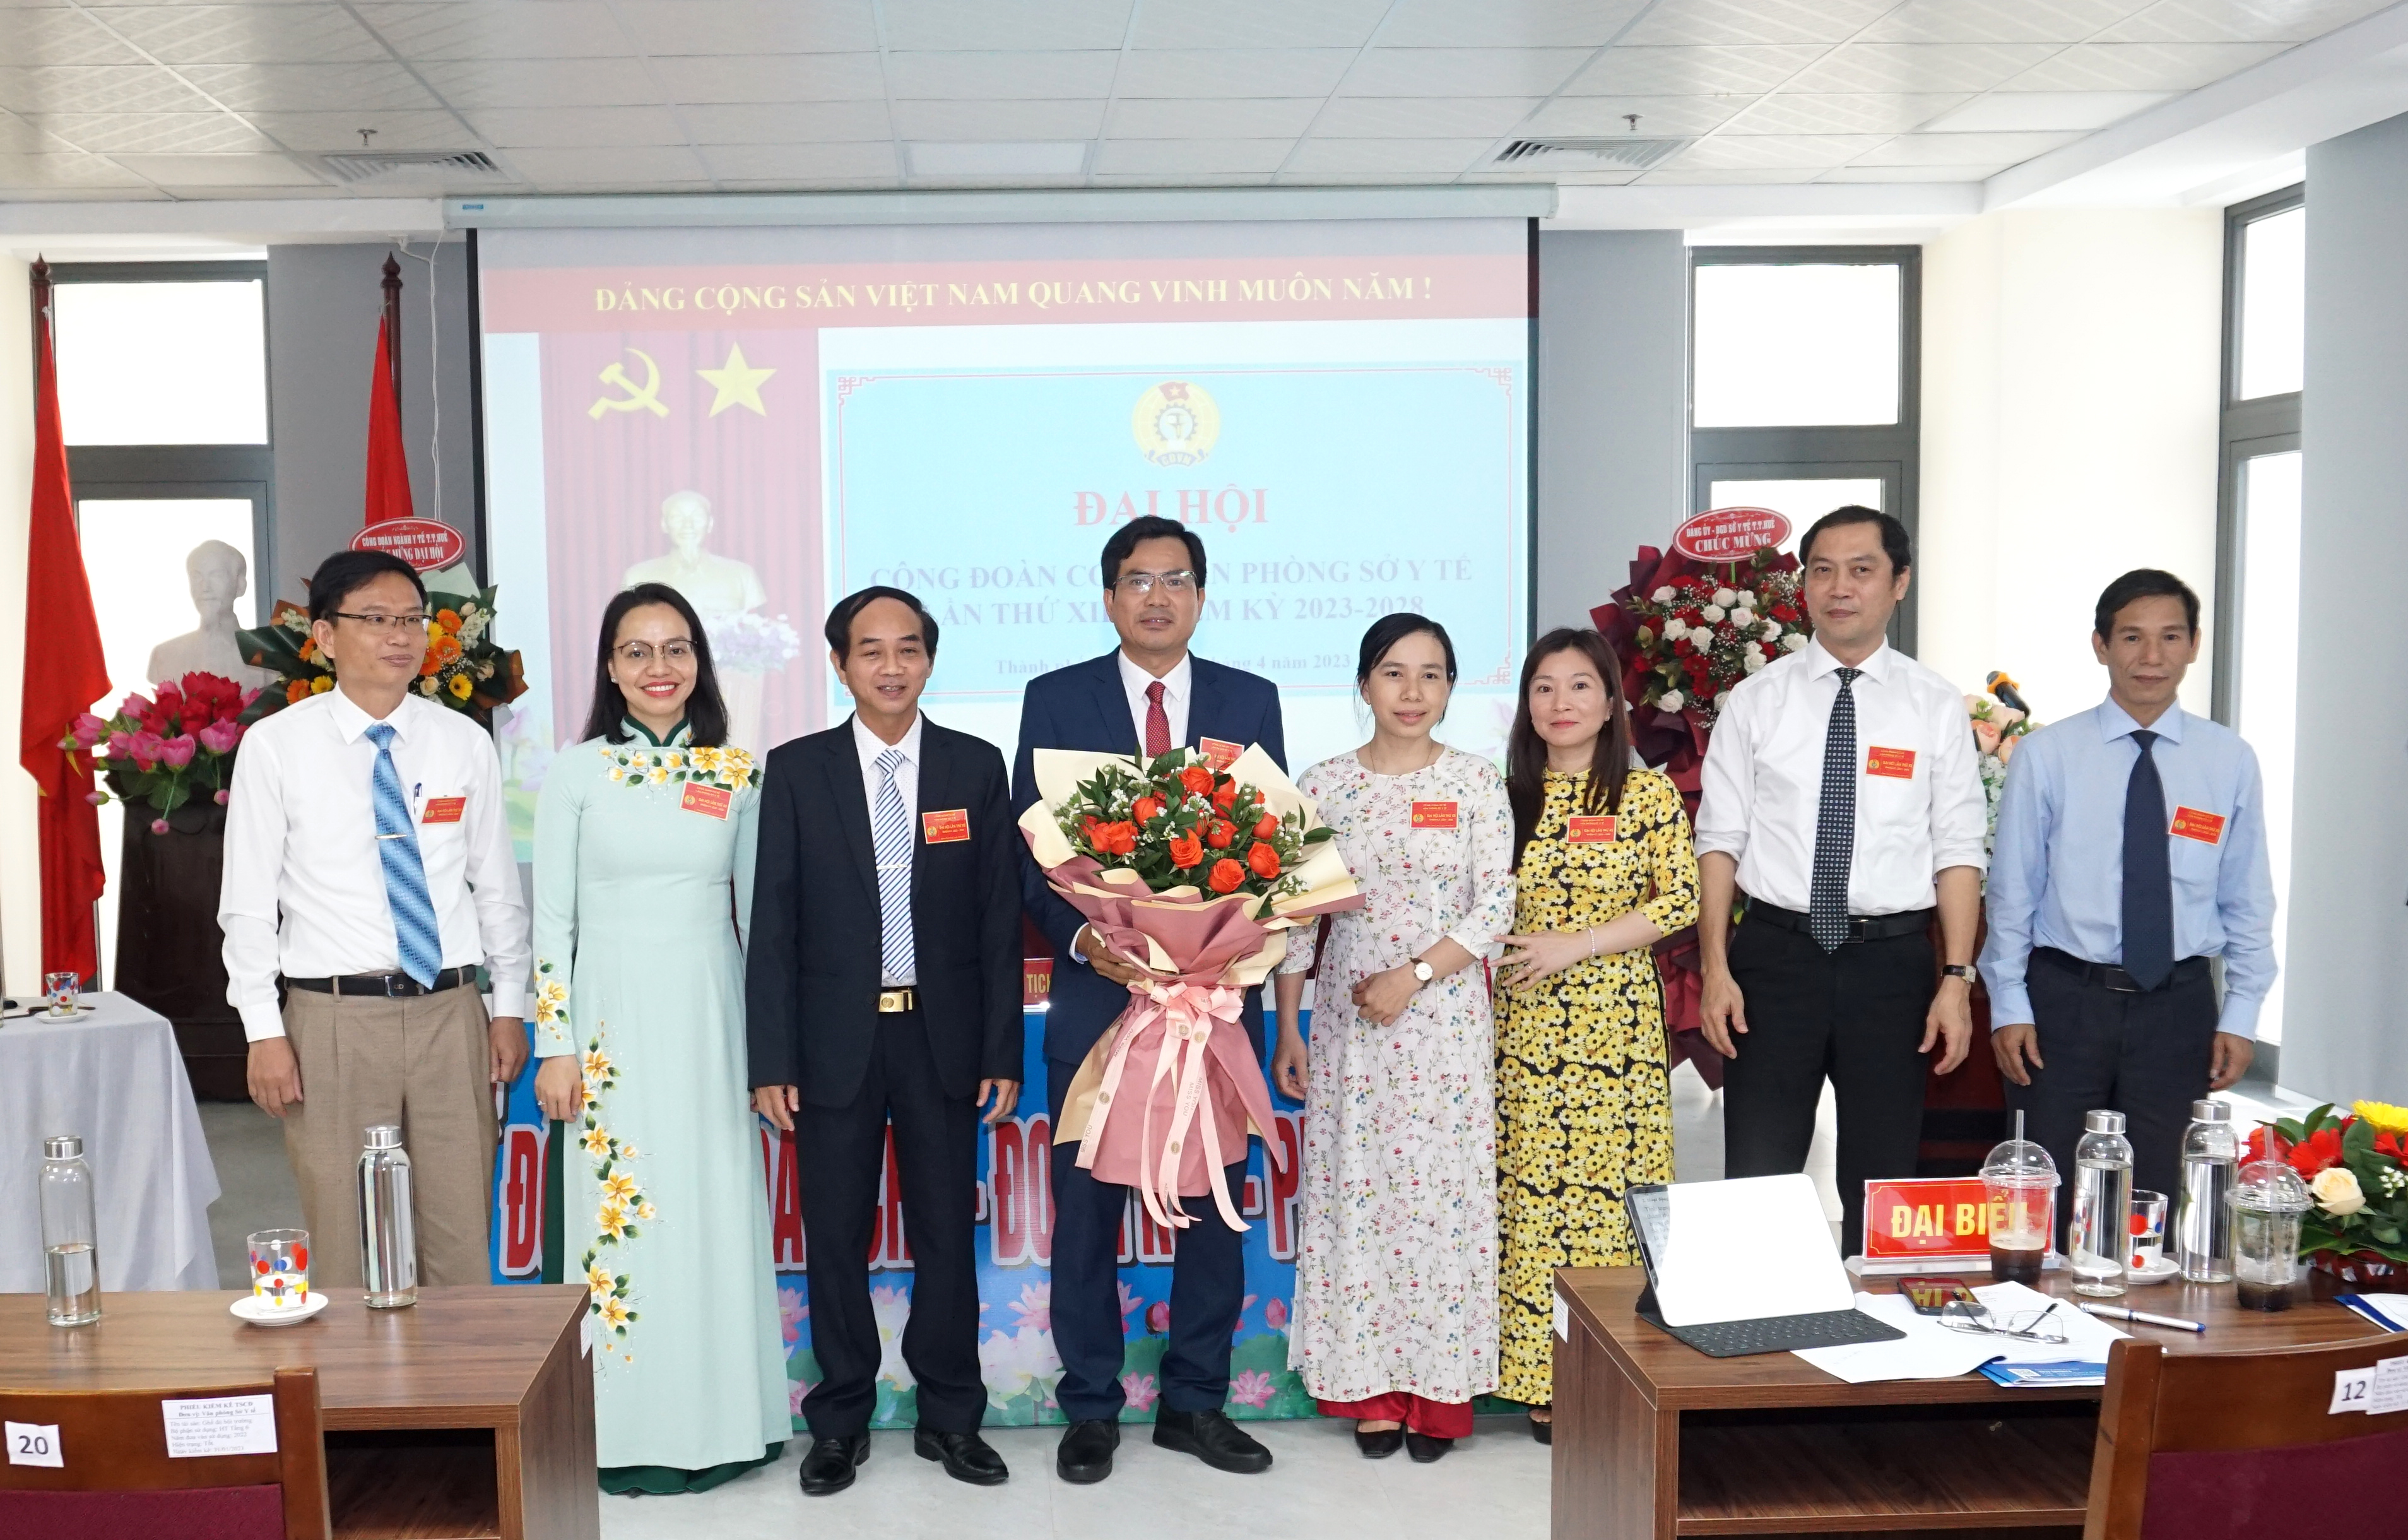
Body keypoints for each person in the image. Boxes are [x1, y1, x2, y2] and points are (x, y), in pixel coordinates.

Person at [1012, 514, 1285, 1484]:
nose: (1157, 597)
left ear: (1201, 596)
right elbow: (1030, 851)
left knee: (1213, 1213)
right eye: (1138, 580)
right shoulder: (1056, 699)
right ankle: (1091, 1407)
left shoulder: (1251, 699)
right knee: (1086, 1215)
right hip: (1100, 1002)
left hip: (1211, 1009)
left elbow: (1272, 850)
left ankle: (1196, 1404)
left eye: (1175, 580)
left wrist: (1215, 950)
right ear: (1109, 596)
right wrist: (1089, 940)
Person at [749, 586, 1022, 1496]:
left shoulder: (974, 766)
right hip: (835, 1041)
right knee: (835, 1236)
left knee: (946, 1233)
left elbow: (997, 921)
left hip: (943, 1041)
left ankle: (952, 1417)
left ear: (929, 661)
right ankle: (838, 1422)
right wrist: (772, 1060)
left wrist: (1000, 1051)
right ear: (840, 665)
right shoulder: (797, 769)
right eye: (871, 650)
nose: (891, 666)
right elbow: (773, 925)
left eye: (908, 648)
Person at [526, 583, 788, 1494]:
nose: (658, 667)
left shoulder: (738, 773)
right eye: (636, 651)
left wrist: (770, 1054)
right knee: (622, 1229)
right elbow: (551, 921)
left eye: (677, 648)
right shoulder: (576, 773)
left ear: (700, 663)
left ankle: (725, 1425)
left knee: (711, 1218)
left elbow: (762, 926)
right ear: (609, 667)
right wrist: (554, 1044)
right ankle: (620, 1432)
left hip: (711, 1026)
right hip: (607, 1031)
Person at [219, 548, 530, 1288]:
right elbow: (247, 905)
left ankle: (459, 1370)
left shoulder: (463, 741)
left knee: (460, 1237)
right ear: (325, 636)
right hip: (334, 1021)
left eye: (413, 620)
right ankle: (358, 1374)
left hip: (450, 1012)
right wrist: (262, 1030)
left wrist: (509, 1007)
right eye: (377, 619)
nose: (400, 636)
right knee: (346, 1240)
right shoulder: (276, 746)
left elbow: (497, 889)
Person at [1694, 508, 1987, 1255]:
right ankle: (1755, 1317)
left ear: (1900, 582)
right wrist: (1717, 968)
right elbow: (1719, 843)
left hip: (1891, 967)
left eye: (1862, 570)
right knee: (1757, 1180)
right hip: (1775, 960)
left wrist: (1955, 979)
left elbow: (1958, 850)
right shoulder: (1758, 700)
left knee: (1882, 1187)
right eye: (1822, 570)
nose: (1839, 587)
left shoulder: (1932, 705)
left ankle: (1877, 1324)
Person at [1270, 615, 1514, 1464]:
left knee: (1443, 1206)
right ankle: (1370, 1389)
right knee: (1360, 1200)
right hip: (1350, 1029)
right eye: (1394, 673)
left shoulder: (1476, 781)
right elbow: (1299, 920)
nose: (1413, 692)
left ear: (1450, 688)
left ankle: (1437, 1397)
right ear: (1364, 684)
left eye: (1432, 674)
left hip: (1444, 1024)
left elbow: (1495, 905)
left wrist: (1411, 976)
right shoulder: (1324, 784)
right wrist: (1290, 1023)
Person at [1980, 569, 2274, 1212]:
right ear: (2101, 645)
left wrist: (2242, 1012)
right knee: (2046, 1197)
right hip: (2064, 1004)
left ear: (2194, 644)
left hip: (2178, 1006)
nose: (2151, 656)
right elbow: (2012, 894)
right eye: (2132, 637)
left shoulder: (2228, 759)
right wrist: (2010, 1004)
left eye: (2170, 636)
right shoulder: (2049, 754)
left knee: (2159, 1200)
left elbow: (2247, 897)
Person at [1492, 628, 1699, 1442]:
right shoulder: (1501, 796)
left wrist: (1576, 944)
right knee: (1530, 1200)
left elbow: (1679, 900)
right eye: (1544, 687)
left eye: (1580, 685)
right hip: (1523, 1028)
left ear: (1611, 702)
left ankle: (1610, 1372)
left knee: (1612, 1202)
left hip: (1616, 1030)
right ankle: (1534, 1377)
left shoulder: (1644, 796)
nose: (1561, 702)